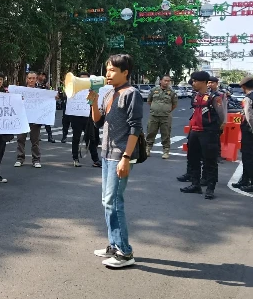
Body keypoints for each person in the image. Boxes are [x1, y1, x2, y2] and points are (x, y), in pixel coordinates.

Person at [89, 54, 143, 268]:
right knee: (107, 201)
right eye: (107, 69)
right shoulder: (109, 93)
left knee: (114, 202)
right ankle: (114, 245)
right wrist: (93, 103)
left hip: (120, 155)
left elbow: (135, 127)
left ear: (125, 72)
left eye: (112, 70)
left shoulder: (132, 94)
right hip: (106, 153)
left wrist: (126, 157)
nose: (107, 74)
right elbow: (98, 122)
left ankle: (125, 253)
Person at [180, 71, 224, 200]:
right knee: (193, 159)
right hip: (194, 131)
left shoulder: (214, 97)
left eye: (195, 81)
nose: (193, 83)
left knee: (210, 161)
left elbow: (222, 116)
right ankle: (195, 184)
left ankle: (210, 188)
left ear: (204, 82)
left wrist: (215, 131)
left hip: (208, 132)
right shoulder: (195, 96)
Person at [68, 72, 101, 167]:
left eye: (86, 80)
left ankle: (96, 160)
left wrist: (93, 94)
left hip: (88, 118)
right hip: (76, 117)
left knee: (91, 139)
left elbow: (92, 104)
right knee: (76, 138)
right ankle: (75, 158)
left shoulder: (91, 91)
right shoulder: (73, 90)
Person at [15, 72, 43, 168]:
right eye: (30, 78)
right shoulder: (20, 91)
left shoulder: (41, 92)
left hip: (35, 120)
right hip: (22, 119)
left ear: (36, 79)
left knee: (35, 140)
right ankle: (20, 158)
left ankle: (36, 160)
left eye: (33, 78)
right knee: (20, 139)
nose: (31, 80)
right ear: (27, 79)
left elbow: (47, 101)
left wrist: (53, 98)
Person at [145, 75, 177, 159]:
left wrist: (166, 110)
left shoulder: (172, 92)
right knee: (150, 132)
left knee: (166, 134)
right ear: (161, 81)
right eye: (165, 80)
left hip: (166, 117)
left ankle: (166, 151)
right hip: (154, 116)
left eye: (168, 81)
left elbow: (174, 104)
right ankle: (147, 149)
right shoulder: (154, 90)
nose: (167, 82)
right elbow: (149, 101)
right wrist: (155, 108)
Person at [208, 76, 227, 164]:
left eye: (212, 83)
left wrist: (224, 121)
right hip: (207, 120)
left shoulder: (220, 94)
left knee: (216, 139)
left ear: (216, 83)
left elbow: (223, 108)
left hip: (217, 119)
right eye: (208, 82)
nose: (210, 84)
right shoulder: (206, 93)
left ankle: (218, 156)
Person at [36, 72, 56, 143]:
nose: (43, 77)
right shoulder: (35, 85)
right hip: (37, 106)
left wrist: (48, 88)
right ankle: (37, 136)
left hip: (45, 106)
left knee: (47, 122)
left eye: (44, 76)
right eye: (42, 75)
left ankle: (50, 136)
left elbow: (50, 93)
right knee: (37, 123)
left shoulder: (46, 85)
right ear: (38, 76)